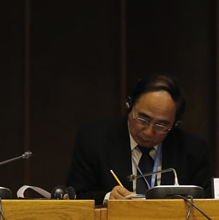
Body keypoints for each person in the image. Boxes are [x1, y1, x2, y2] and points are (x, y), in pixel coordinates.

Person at [66, 73, 211, 205]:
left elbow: (206, 202)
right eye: (143, 119)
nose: (148, 132)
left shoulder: (194, 149)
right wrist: (107, 197)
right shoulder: (94, 140)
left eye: (161, 125)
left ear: (175, 123)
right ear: (129, 105)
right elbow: (76, 195)